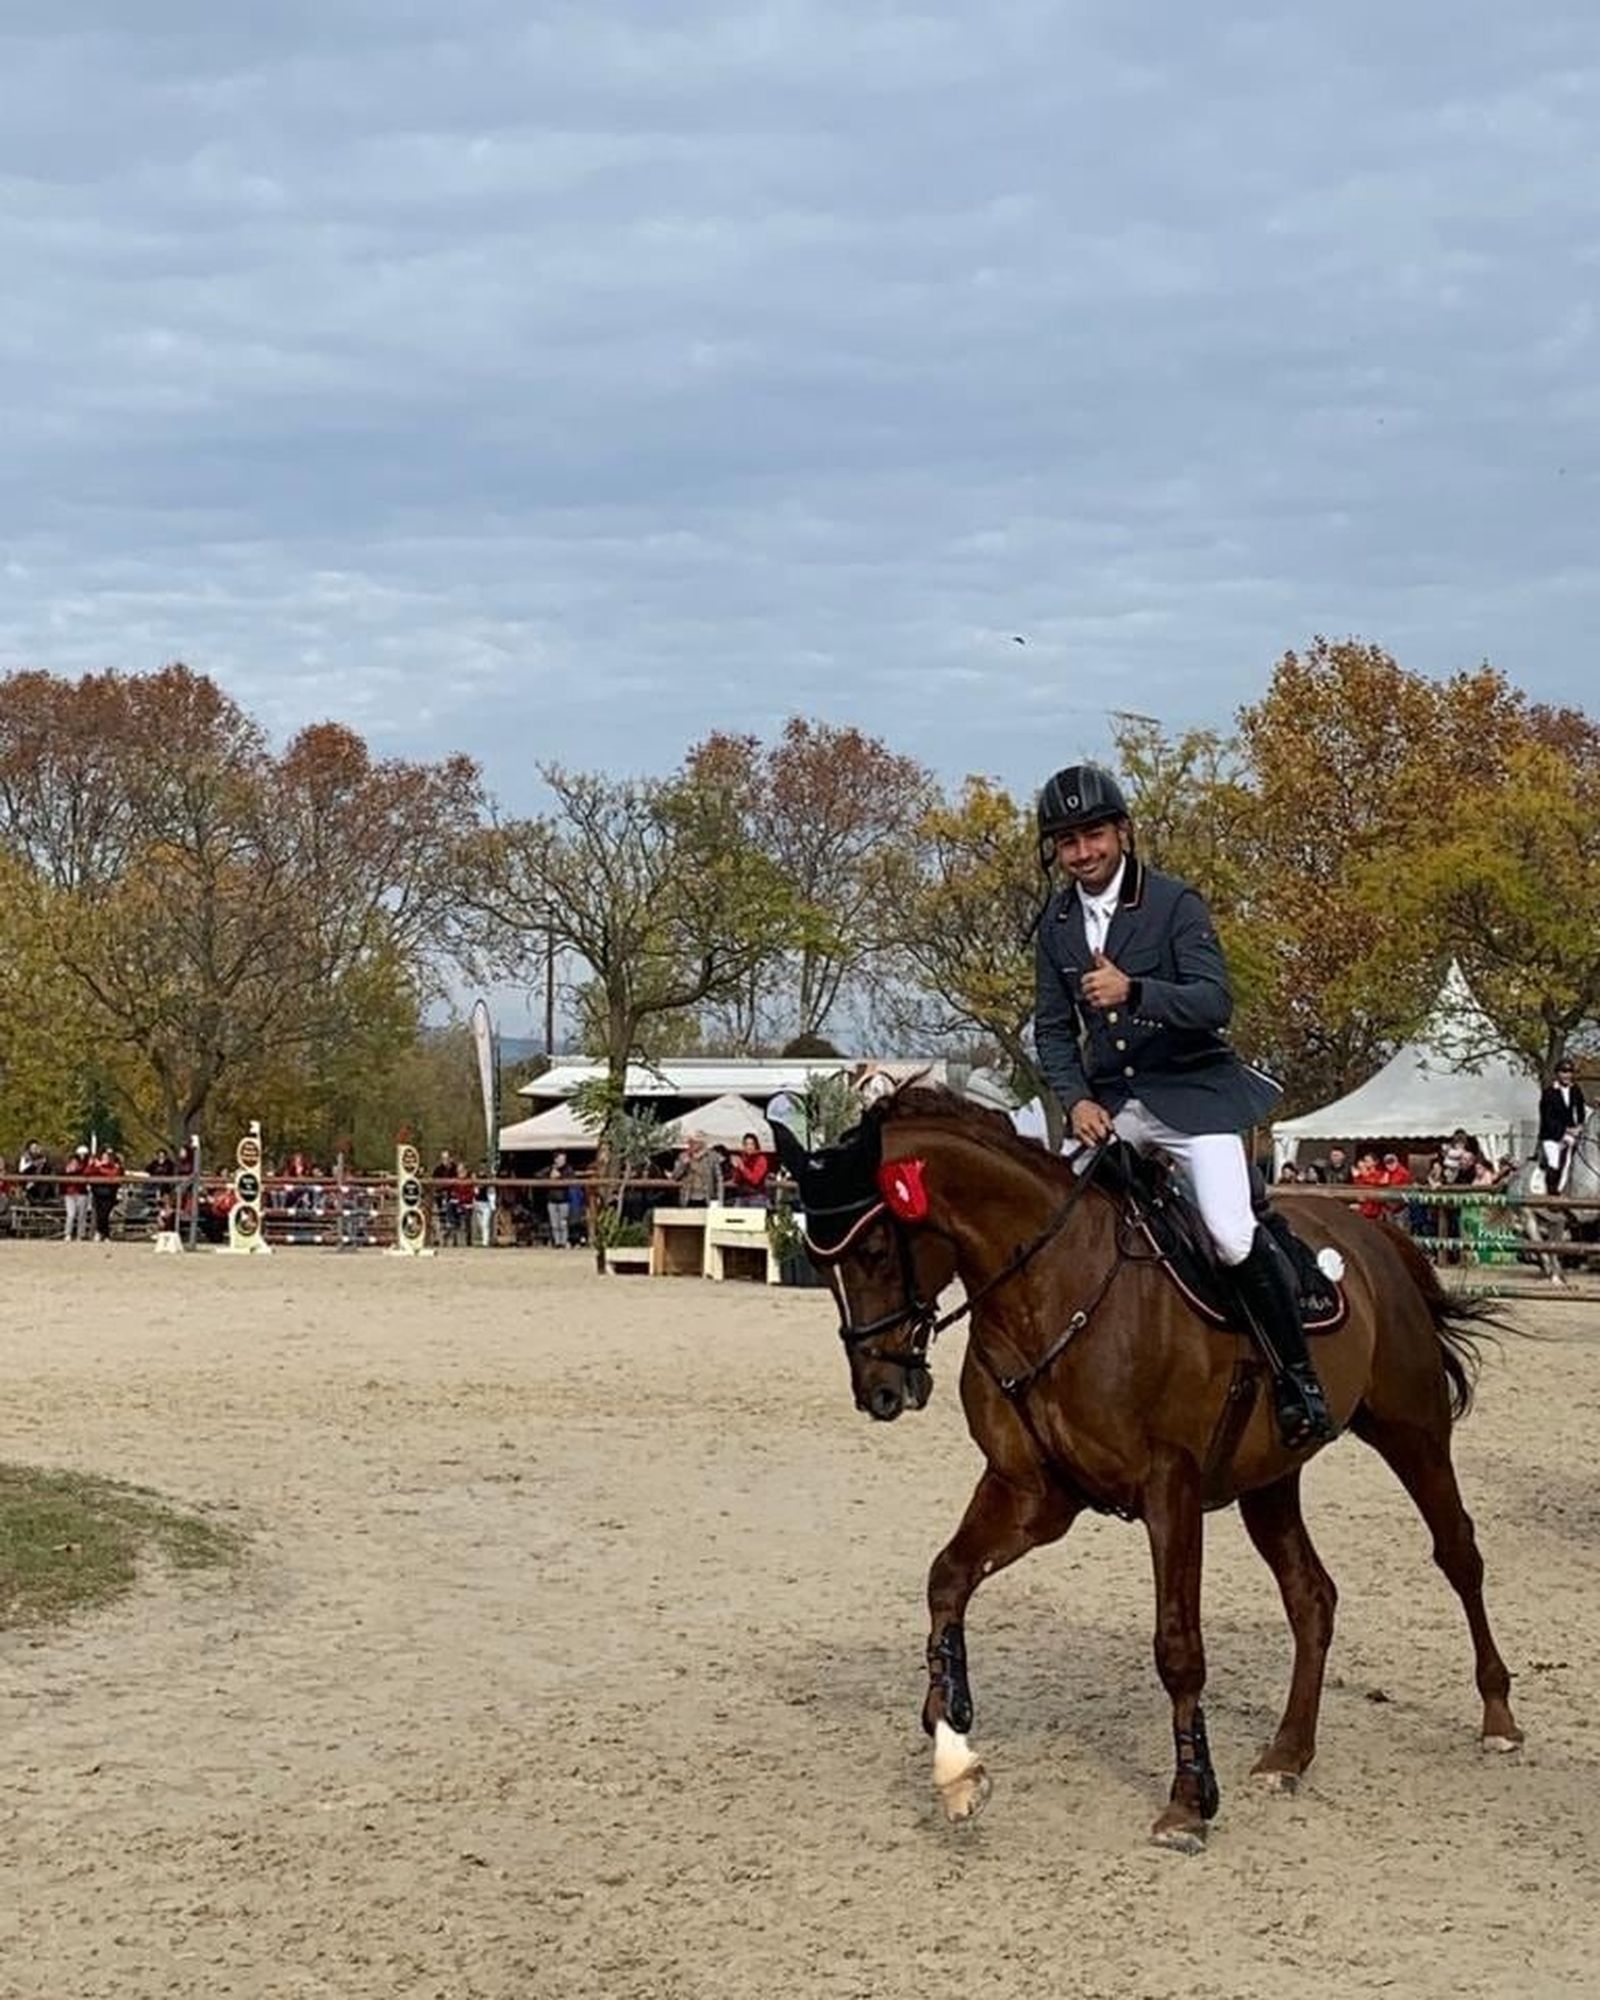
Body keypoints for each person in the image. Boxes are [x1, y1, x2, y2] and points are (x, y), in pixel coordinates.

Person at [1032, 761, 1333, 1449]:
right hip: (1114, 1106)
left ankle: (1298, 1380)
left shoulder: (1173, 903)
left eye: (1093, 835)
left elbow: (1213, 1001)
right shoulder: (1055, 924)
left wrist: (1136, 992)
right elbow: (1052, 1030)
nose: (1082, 853)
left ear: (1122, 831)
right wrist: (1074, 1099)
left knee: (1228, 1233)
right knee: (1055, 1223)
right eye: (1068, 841)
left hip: (1193, 1098)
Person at [1538, 1057, 1588, 1196]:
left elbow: (1581, 1111)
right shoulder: (1549, 1093)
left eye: (1570, 1072)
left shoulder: (1575, 1090)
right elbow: (1547, 1119)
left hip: (1571, 1134)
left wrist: (1580, 1125)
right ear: (1557, 1074)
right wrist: (1567, 1130)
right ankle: (1551, 1194)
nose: (1567, 1075)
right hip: (1551, 1135)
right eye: (1564, 1072)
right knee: (1555, 1162)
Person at [672, 1134, 722, 1207]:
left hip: (707, 1198)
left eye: (694, 1142)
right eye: (690, 1142)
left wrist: (719, 1201)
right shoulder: (683, 1156)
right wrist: (683, 1165)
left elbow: (718, 1179)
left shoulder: (712, 1157)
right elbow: (675, 1177)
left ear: (701, 1143)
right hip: (688, 1198)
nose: (691, 1145)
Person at [725, 1132, 773, 1207]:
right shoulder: (743, 1159)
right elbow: (737, 1180)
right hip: (742, 1196)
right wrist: (736, 1168)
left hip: (757, 1197)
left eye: (751, 1144)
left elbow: (755, 1180)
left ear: (756, 1146)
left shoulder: (761, 1159)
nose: (749, 1147)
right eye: (746, 1144)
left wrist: (742, 1167)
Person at [546, 1152, 571, 1247]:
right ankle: (557, 1242)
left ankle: (563, 1242)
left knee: (563, 1223)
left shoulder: (568, 1169)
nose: (563, 1161)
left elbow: (572, 1178)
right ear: (555, 1160)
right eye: (561, 1159)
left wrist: (560, 1176)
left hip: (564, 1200)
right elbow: (538, 1175)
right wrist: (549, 1176)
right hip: (552, 1201)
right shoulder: (550, 1169)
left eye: (564, 1159)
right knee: (554, 1224)